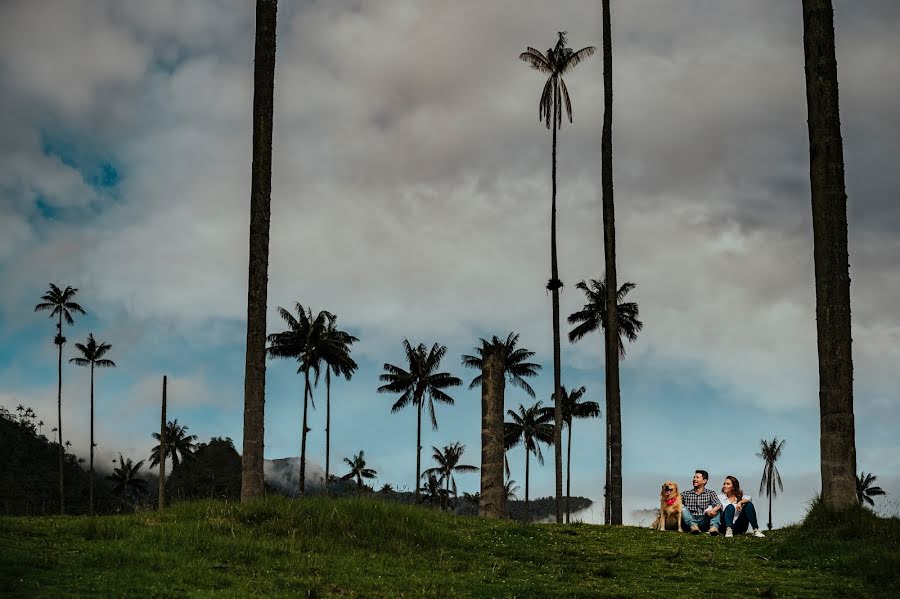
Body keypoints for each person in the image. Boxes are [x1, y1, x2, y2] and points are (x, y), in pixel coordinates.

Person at [681, 470, 722, 535]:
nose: (694, 479)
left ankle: (714, 528)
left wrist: (713, 510)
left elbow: (719, 504)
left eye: (697, 477)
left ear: (704, 481)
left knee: (717, 509)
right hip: (690, 520)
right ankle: (694, 527)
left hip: (704, 519)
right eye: (694, 477)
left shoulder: (711, 493)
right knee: (682, 508)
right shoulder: (685, 494)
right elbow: (675, 501)